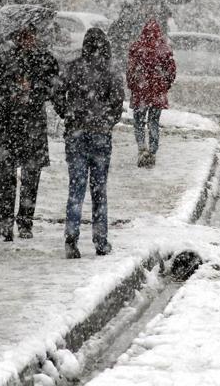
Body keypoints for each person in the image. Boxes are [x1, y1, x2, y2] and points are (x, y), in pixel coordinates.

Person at [53, 28, 124, 259]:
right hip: (100, 135)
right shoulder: (110, 70)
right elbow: (117, 102)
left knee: (76, 187)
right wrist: (106, 121)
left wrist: (67, 113)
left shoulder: (72, 68)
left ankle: (71, 238)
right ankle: (100, 239)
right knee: (99, 189)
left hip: (75, 134)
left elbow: (56, 93)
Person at [0, 24, 59, 241]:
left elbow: (52, 87)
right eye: (23, 36)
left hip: (32, 126)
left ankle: (25, 222)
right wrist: (12, 94)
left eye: (30, 35)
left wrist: (33, 91)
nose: (27, 40)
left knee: (31, 177)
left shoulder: (45, 60)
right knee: (6, 178)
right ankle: (5, 223)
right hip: (9, 126)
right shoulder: (1, 60)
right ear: (15, 37)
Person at [126, 18, 176, 168]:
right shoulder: (164, 49)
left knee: (139, 123)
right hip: (156, 93)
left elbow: (130, 70)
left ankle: (142, 148)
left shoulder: (136, 48)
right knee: (153, 122)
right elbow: (171, 71)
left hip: (141, 92)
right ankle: (153, 152)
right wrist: (164, 85)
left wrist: (133, 86)